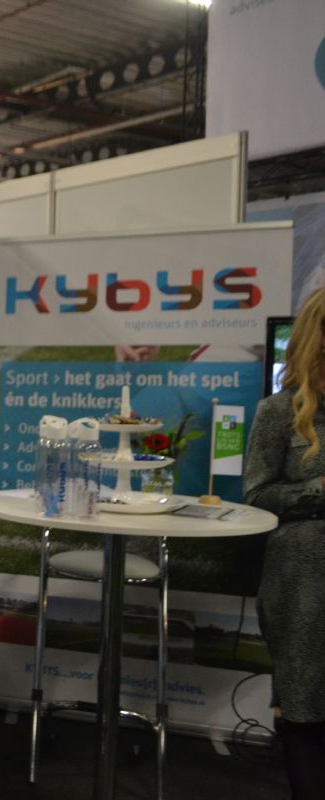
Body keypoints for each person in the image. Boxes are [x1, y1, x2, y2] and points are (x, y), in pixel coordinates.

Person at [244, 286, 325, 800]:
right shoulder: (279, 411)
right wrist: (317, 489)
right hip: (304, 583)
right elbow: (256, 495)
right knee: (305, 707)